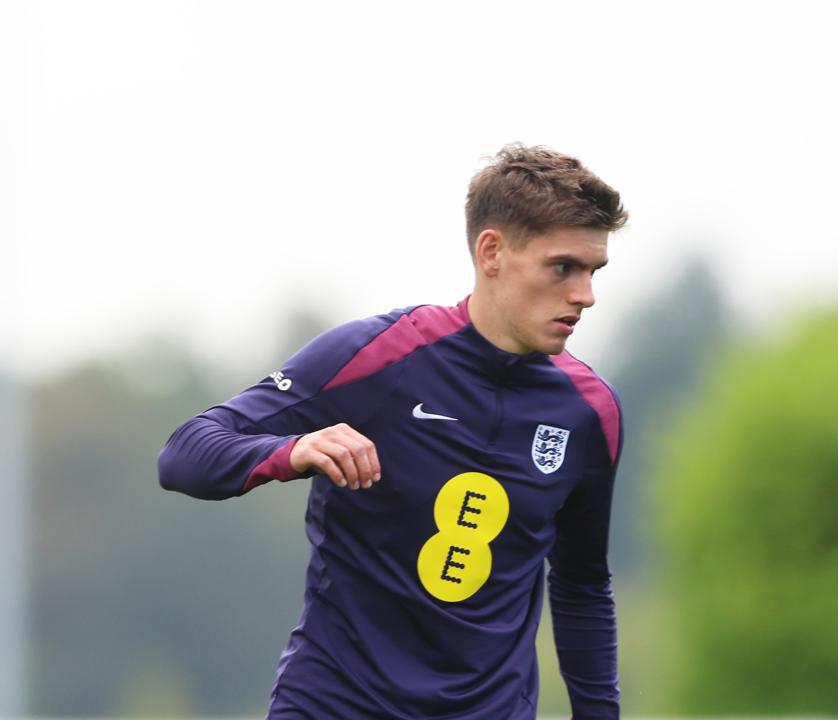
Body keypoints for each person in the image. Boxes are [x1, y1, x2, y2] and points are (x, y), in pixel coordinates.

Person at [158, 143, 628, 719]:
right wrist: (294, 449)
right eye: (563, 267)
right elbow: (184, 454)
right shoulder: (376, 357)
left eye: (592, 270)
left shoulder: (589, 412)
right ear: (492, 252)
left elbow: (582, 587)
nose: (585, 294)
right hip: (333, 704)